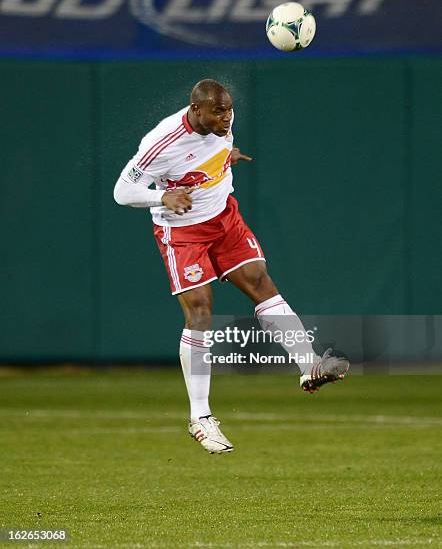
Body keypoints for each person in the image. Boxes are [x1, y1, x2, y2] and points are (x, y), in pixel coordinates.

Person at [114, 79, 349, 454]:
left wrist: (225, 156)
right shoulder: (161, 143)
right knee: (201, 313)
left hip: (224, 217)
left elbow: (209, 152)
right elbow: (122, 192)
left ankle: (309, 366)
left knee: (261, 282)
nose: (227, 117)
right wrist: (163, 195)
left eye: (229, 109)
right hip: (183, 232)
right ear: (196, 110)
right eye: (218, 111)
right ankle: (201, 417)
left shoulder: (222, 123)